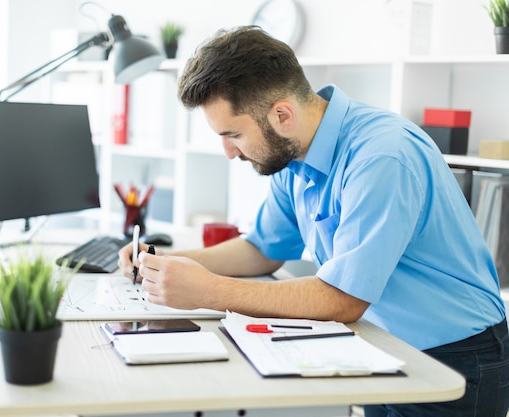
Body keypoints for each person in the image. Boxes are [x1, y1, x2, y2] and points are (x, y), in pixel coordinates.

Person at [117, 26, 509, 416]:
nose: (229, 153)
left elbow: (342, 298)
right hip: (380, 343)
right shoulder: (291, 154)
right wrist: (164, 263)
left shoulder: (381, 156)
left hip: (456, 357)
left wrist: (206, 290)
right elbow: (262, 249)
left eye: (233, 134)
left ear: (282, 114)